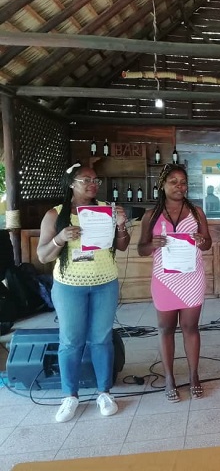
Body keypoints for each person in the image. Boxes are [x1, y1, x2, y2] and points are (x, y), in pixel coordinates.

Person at [36, 163, 130, 423]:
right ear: (71, 184)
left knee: (101, 339)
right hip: (69, 286)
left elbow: (122, 246)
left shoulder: (105, 210)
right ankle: (70, 396)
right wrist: (60, 239)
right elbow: (43, 255)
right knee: (71, 341)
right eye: (85, 179)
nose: (93, 184)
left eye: (96, 180)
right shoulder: (55, 215)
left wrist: (121, 224)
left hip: (104, 283)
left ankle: (104, 392)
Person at [138, 164, 212, 401]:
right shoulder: (151, 215)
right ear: (162, 185)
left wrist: (201, 241)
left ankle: (193, 375)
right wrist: (153, 244)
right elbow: (141, 249)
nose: (180, 186)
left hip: (191, 277)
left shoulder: (197, 212)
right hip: (164, 279)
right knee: (166, 329)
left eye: (183, 182)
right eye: (173, 181)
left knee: (191, 327)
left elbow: (208, 243)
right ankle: (169, 377)